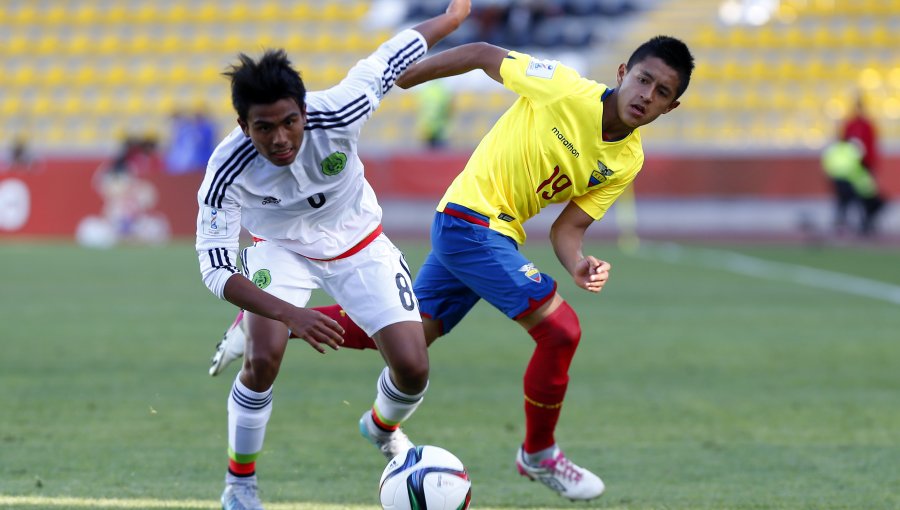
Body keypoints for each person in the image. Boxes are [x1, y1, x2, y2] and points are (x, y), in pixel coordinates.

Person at [209, 34, 694, 502]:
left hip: (498, 234)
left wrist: (579, 264)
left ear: (670, 107)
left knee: (410, 337)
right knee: (560, 331)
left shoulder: (628, 160)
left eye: (662, 93)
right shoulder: (564, 87)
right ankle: (539, 453)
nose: (646, 95)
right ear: (622, 72)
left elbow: (567, 230)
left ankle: (277, 333)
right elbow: (485, 53)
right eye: (644, 80)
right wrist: (407, 77)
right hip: (469, 220)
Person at [195, 2, 471, 509]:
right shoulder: (225, 169)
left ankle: (381, 426)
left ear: (304, 110)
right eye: (263, 128)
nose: (280, 138)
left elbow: (392, 56)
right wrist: (287, 313)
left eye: (289, 122)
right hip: (278, 247)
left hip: (357, 237)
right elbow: (213, 268)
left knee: (413, 366)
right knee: (263, 359)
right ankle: (240, 485)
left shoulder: (342, 107)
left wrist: (451, 20)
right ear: (242, 123)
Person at [821, 136, 883, 236]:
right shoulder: (852, 149)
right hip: (850, 180)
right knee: (856, 203)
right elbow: (858, 164)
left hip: (837, 179)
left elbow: (827, 164)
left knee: (843, 203)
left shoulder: (834, 149)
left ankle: (841, 225)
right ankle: (862, 225)